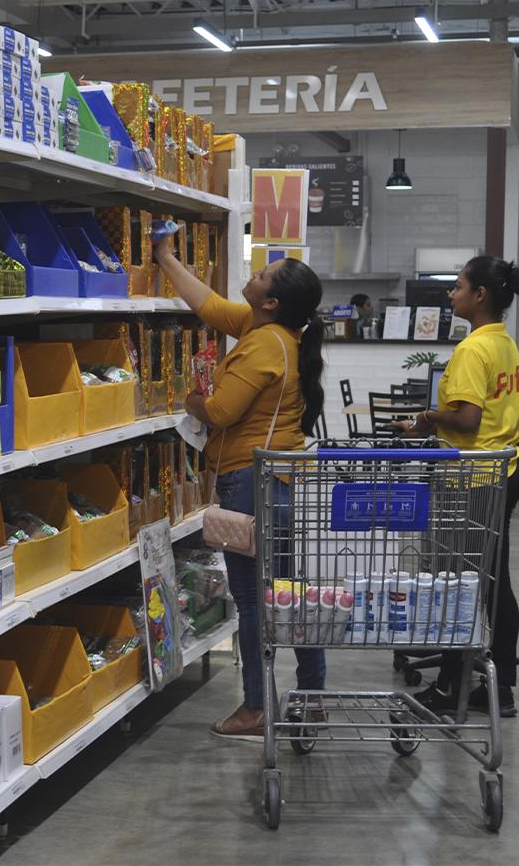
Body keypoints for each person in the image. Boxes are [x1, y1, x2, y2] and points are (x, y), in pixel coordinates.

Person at [153, 239, 327, 740]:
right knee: (286, 593)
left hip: (252, 481)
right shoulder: (268, 330)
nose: (253, 275)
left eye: (263, 275)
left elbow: (223, 411)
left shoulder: (264, 345)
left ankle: (254, 709)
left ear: (271, 301)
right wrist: (166, 259)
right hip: (274, 478)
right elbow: (208, 306)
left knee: (254, 599)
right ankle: (312, 695)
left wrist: (189, 400)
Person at [398, 255, 519, 718]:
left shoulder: (473, 349)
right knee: (495, 582)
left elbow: (468, 419)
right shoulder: (504, 343)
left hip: (471, 481)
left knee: (457, 584)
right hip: (503, 472)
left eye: (458, 287)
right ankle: (503, 690)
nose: (451, 294)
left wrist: (426, 417)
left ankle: (449, 687)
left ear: (480, 295)